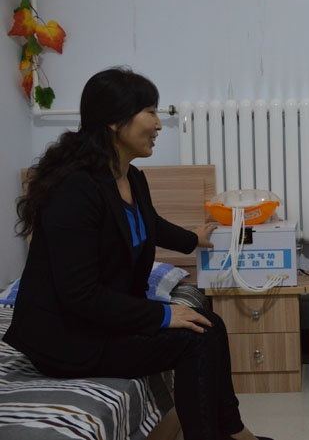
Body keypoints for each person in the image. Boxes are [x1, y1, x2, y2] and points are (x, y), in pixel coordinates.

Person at [4, 67, 273, 440]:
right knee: (195, 337)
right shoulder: (74, 190)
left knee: (208, 324)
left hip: (101, 321)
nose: (158, 124)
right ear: (116, 122)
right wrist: (161, 314)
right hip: (68, 338)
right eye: (150, 112)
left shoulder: (131, 177)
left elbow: (150, 222)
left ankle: (233, 431)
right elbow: (79, 294)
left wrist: (193, 239)